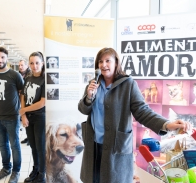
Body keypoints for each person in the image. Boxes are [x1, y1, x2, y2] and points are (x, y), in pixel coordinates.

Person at [78, 48, 191, 183]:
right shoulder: (93, 85)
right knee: (93, 180)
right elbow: (83, 109)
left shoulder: (128, 84)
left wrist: (166, 124)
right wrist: (89, 97)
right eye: (100, 61)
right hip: (94, 146)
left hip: (115, 147)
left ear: (116, 63)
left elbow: (142, 111)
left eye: (108, 60)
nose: (103, 65)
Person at [0, 47, 24, 183]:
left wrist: (21, 111)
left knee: (14, 145)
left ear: (6, 59)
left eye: (2, 57)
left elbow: (22, 94)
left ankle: (16, 171)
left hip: (12, 116)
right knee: (3, 145)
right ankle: (6, 168)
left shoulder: (15, 75)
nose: (0, 60)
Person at [19, 52, 46, 183]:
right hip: (28, 117)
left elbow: (42, 102)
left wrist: (23, 110)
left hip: (40, 117)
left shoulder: (45, 80)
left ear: (42, 63)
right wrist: (24, 115)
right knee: (33, 146)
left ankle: (42, 174)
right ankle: (35, 170)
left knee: (41, 147)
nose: (34, 66)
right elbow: (23, 96)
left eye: (37, 63)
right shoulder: (28, 78)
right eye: (32, 63)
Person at [18, 59, 32, 146]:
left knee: (29, 121)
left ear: (27, 66)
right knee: (25, 121)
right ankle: (28, 138)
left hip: (30, 101)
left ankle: (31, 139)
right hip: (23, 100)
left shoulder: (30, 75)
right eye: (19, 65)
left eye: (22, 65)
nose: (20, 67)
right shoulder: (19, 75)